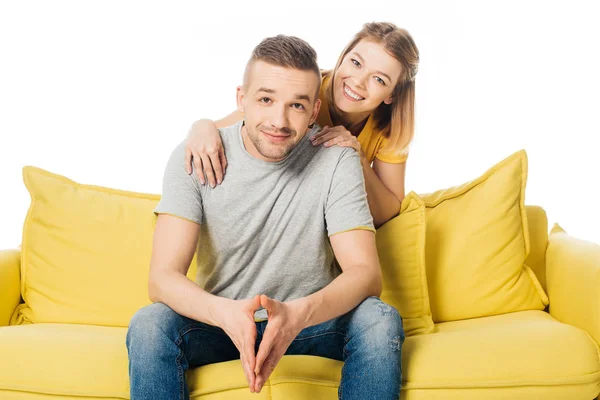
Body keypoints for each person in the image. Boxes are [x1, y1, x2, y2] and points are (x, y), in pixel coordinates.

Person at [125, 34, 403, 399]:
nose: (279, 120)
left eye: (297, 106)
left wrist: (296, 315)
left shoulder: (338, 159)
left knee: (380, 320)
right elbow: (161, 278)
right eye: (266, 99)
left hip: (309, 322)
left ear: (315, 108)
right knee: (149, 325)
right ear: (242, 99)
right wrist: (223, 312)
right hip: (222, 322)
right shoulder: (196, 153)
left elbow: (366, 274)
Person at [183, 22, 419, 228]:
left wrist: (356, 156)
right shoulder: (305, 90)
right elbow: (241, 119)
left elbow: (389, 212)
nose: (358, 82)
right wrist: (201, 126)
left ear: (392, 95)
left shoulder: (390, 131)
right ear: (343, 57)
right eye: (356, 63)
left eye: (379, 79)